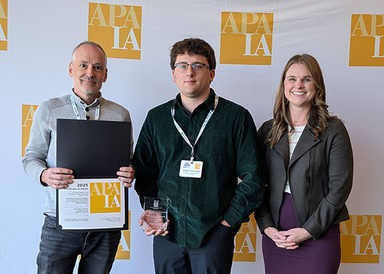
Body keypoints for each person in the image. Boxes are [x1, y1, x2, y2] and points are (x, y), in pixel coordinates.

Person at [133, 38, 264, 274]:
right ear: (174, 74)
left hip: (213, 234)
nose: (189, 72)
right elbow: (145, 173)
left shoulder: (236, 118)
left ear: (212, 73)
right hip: (167, 234)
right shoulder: (157, 119)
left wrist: (227, 225)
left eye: (198, 65)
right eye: (182, 65)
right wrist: (154, 212)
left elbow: (253, 178)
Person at [22, 41, 135, 274]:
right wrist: (44, 174)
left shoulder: (120, 114)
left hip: (106, 224)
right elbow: (31, 158)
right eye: (83, 65)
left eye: (97, 67)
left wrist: (130, 171)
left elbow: (130, 161)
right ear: (71, 70)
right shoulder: (49, 109)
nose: (90, 73)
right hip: (60, 223)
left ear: (105, 74)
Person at [255, 54, 353, 274]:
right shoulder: (268, 130)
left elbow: (340, 187)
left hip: (319, 234)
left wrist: (309, 230)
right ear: (284, 85)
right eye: (292, 79)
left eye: (306, 79)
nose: (298, 85)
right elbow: (256, 184)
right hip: (276, 237)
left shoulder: (333, 130)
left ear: (316, 85)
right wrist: (267, 227)